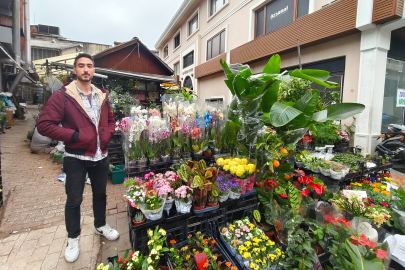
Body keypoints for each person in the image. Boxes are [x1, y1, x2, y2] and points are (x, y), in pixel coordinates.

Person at [37, 53, 119, 263]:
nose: (85, 69)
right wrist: (75, 136)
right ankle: (73, 238)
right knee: (74, 200)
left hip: (100, 156)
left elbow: (111, 119)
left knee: (100, 194)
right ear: (74, 70)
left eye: (89, 66)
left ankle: (100, 225)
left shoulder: (102, 95)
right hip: (76, 157)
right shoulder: (64, 96)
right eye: (81, 66)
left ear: (93, 70)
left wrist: (108, 133)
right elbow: (45, 125)